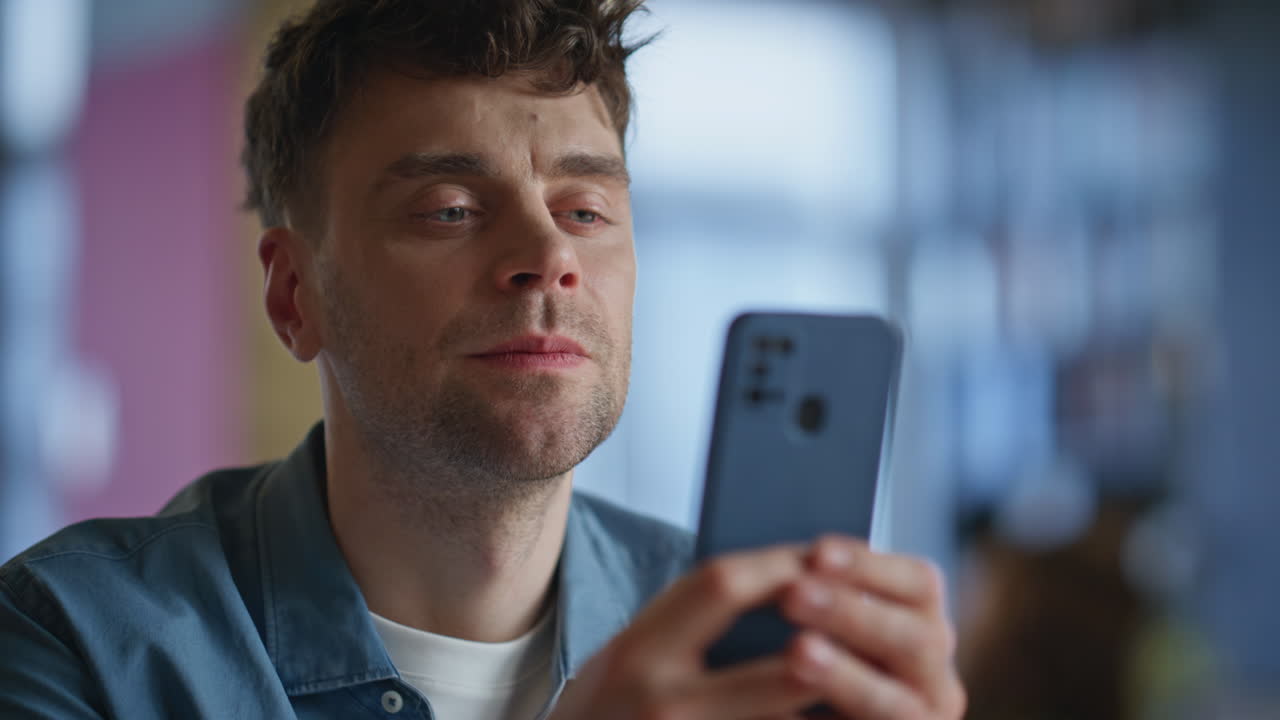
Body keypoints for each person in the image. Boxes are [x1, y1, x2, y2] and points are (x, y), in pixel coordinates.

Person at [0, 1, 965, 718]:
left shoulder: (749, 643)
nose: (548, 258)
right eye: (450, 211)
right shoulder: (71, 641)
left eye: (586, 212)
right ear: (296, 297)